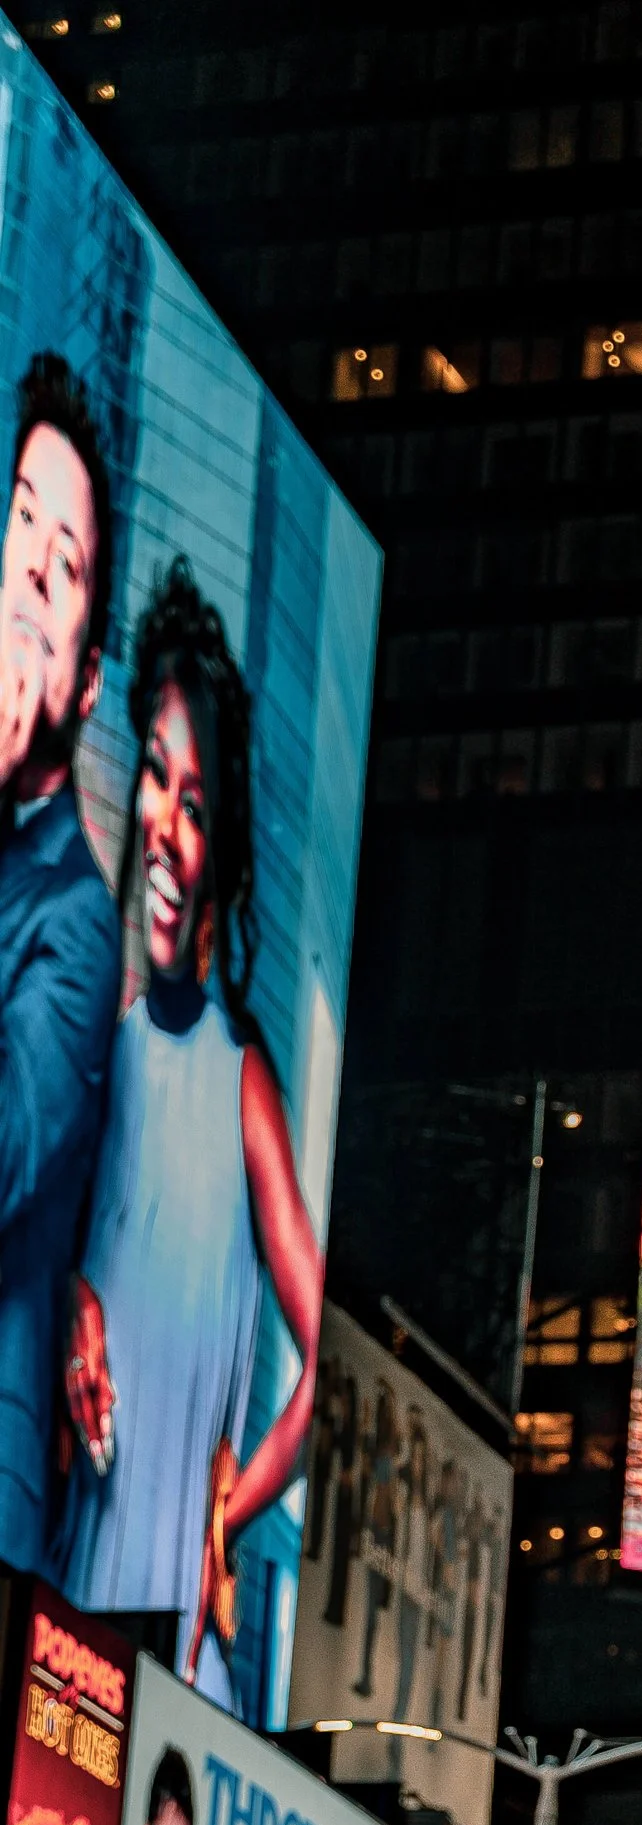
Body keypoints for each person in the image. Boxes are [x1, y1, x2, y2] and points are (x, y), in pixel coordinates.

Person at [53, 561, 325, 1713]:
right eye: (156, 779)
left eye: (198, 802)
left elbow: (328, 1376)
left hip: (169, 1645)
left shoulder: (242, 1080)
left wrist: (231, 1507)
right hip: (62, 1604)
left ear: (224, 846)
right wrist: (71, 1303)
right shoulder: (93, 1048)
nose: (165, 824)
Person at [0, 353, 122, 1572]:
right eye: (22, 520)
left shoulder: (77, 922)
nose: (33, 563)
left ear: (88, 684)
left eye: (68, 562)